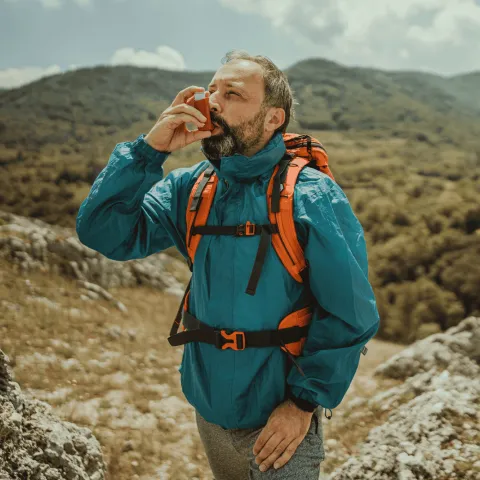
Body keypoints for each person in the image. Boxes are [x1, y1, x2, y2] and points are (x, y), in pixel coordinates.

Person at [76, 49, 381, 479]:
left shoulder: (311, 195)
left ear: (273, 118)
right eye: (212, 89)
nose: (214, 101)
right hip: (209, 407)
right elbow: (103, 230)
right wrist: (148, 152)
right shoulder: (190, 187)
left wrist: (302, 405)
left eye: (233, 94)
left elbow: (351, 312)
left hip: (279, 420)